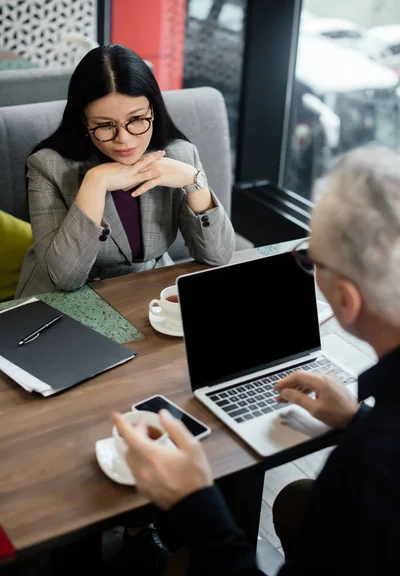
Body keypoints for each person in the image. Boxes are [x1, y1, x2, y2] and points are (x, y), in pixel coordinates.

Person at [113, 144, 400, 575]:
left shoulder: (367, 467)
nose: (306, 267)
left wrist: (195, 501)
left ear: (346, 298)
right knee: (295, 500)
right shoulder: (376, 439)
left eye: (309, 260)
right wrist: (356, 421)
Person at [15, 44, 235, 299]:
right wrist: (95, 183)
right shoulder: (47, 166)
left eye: (136, 119)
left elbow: (217, 256)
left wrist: (194, 181)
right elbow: (64, 278)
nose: (125, 139)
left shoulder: (180, 156)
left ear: (153, 110)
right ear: (84, 122)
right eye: (106, 125)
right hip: (59, 302)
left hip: (146, 292)